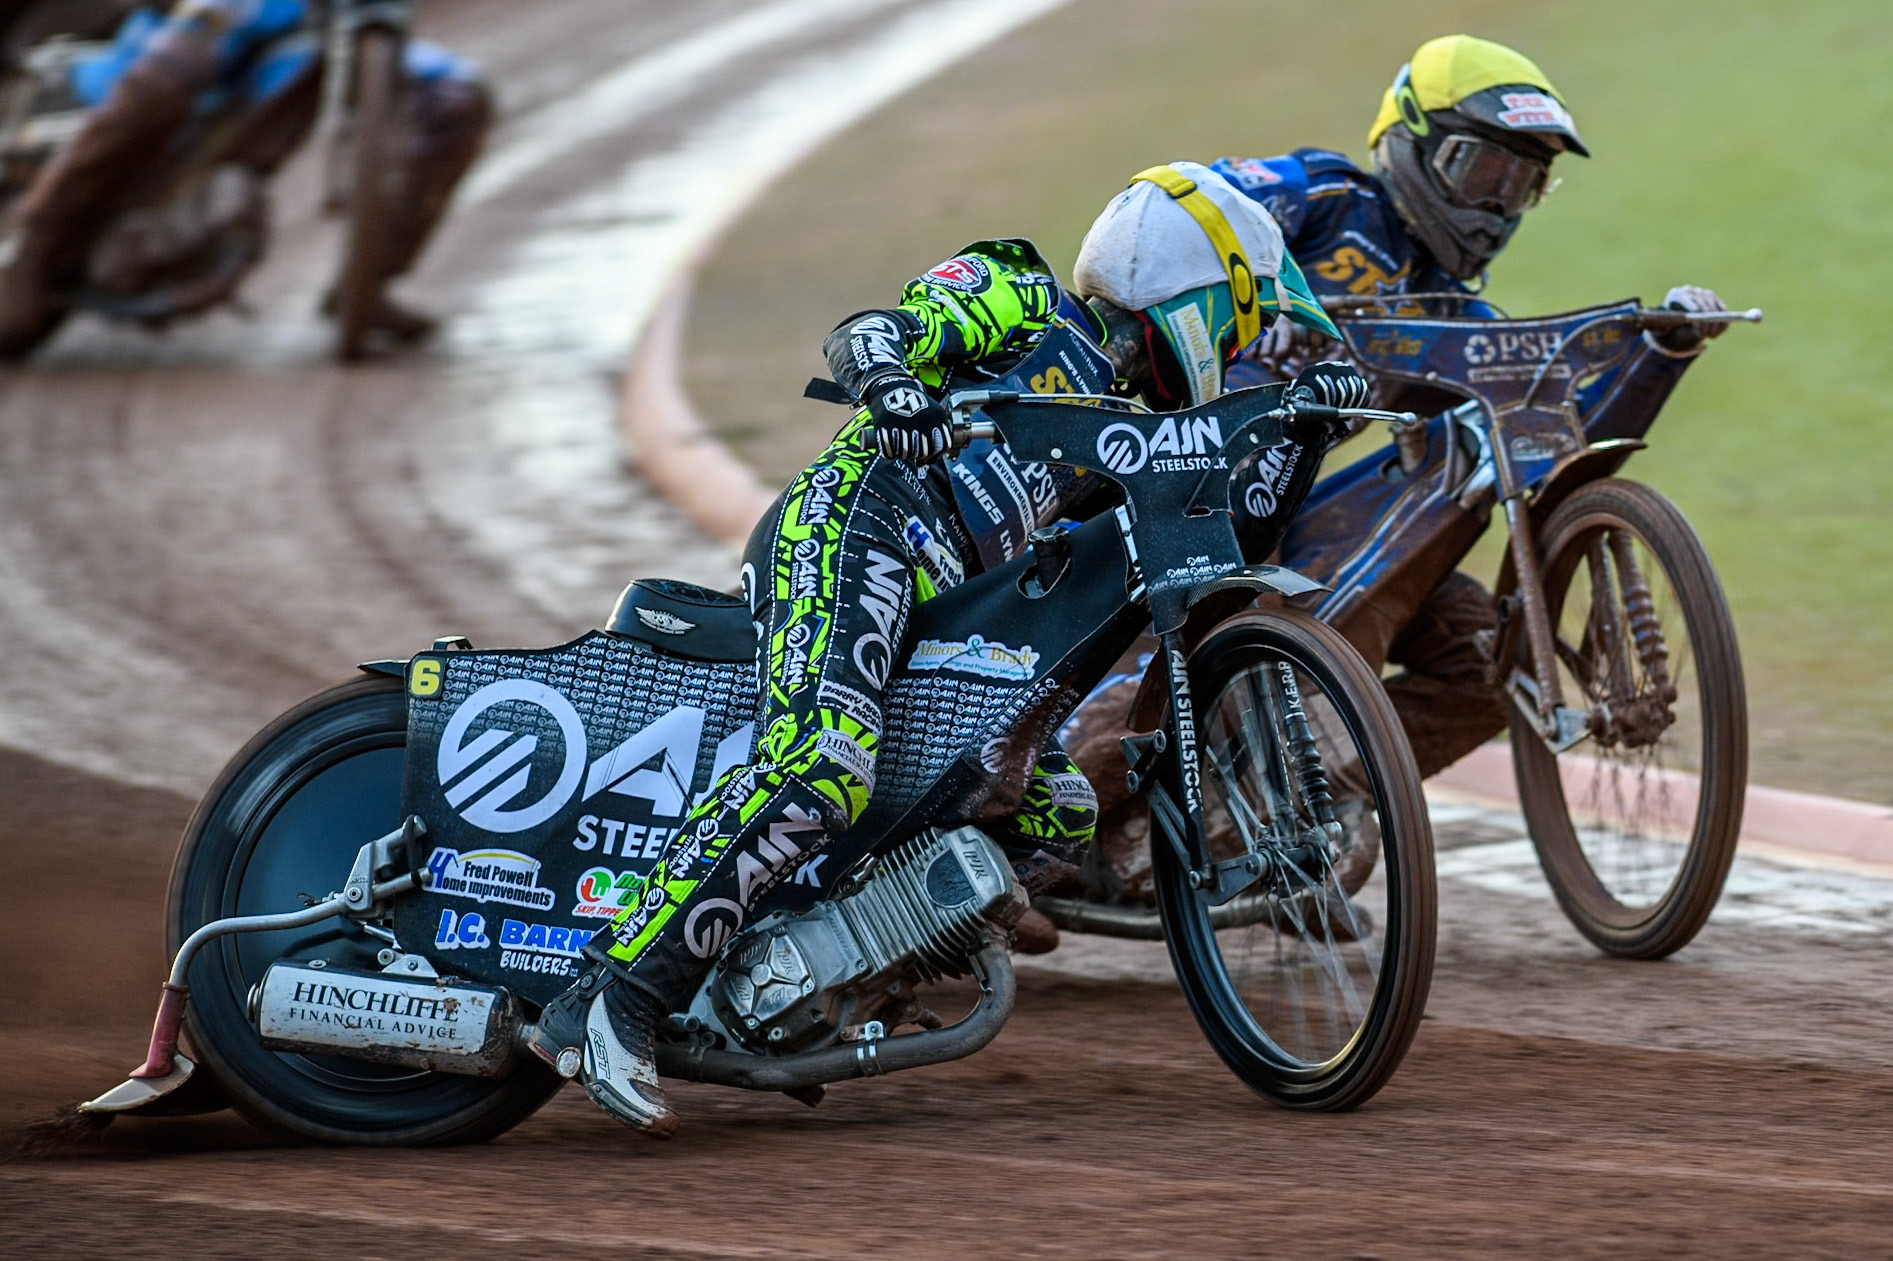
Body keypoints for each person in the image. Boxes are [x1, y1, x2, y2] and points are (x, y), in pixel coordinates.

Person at [536, 161, 1367, 1136]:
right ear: (1190, 288)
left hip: (944, 615)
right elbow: (872, 332)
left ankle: (818, 977)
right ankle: (608, 999)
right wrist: (893, 386)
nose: (1240, 343)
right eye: (1237, 315)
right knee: (824, 764)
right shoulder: (1024, 293)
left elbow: (1242, 530)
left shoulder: (1139, 434)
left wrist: (1310, 422)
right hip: (858, 529)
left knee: (1056, 814)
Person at [1073, 36, 1733, 808]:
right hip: (1170, 488)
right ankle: (1034, 848)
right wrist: (1266, 302)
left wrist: (1659, 354)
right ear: (1409, 144)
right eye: (1480, 169)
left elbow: (1550, 451)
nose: (1493, 206)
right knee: (1184, 644)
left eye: (1519, 185)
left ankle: (1311, 811)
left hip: (1283, 510)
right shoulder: (1324, 197)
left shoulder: (1457, 313)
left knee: (1488, 665)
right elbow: (1166, 215)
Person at [0, 0, 491, 355]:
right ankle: (34, 244)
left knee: (457, 97)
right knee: (185, 55)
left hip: (339, 19)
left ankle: (369, 284)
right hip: (223, 12)